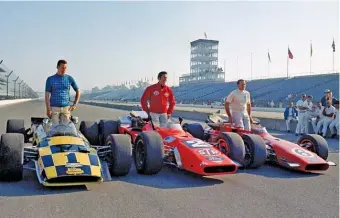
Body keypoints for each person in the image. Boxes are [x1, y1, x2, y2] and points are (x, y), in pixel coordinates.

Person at [45, 60, 80, 125]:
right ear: (57, 67)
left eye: (65, 68)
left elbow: (78, 91)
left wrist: (74, 104)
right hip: (54, 108)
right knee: (55, 129)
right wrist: (48, 109)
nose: (64, 69)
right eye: (62, 67)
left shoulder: (69, 78)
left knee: (66, 129)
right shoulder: (50, 79)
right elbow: (47, 95)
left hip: (66, 108)